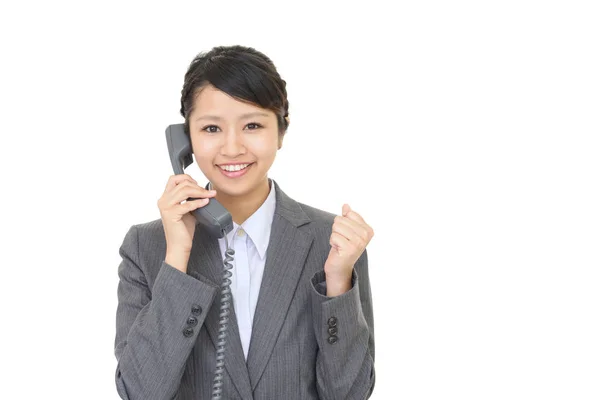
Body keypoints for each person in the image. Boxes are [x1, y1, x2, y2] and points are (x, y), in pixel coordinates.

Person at [114, 45, 376, 400]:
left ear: (281, 132)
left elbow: (350, 394)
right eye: (211, 128)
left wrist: (337, 280)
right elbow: (139, 391)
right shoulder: (147, 246)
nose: (233, 148)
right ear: (185, 140)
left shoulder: (333, 243)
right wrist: (177, 255)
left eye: (252, 125)